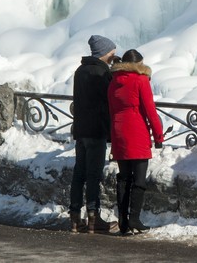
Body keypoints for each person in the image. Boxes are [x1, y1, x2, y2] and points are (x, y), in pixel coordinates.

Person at [108, 48, 164, 235]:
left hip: (118, 130)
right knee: (139, 179)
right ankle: (134, 218)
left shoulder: (114, 81)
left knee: (124, 177)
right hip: (137, 131)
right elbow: (150, 110)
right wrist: (158, 136)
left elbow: (111, 109)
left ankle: (123, 221)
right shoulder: (141, 80)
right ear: (139, 64)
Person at [69, 34, 119, 234]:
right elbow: (109, 101)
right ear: (105, 52)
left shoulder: (80, 71)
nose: (114, 55)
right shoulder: (102, 72)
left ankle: (74, 218)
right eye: (112, 52)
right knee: (93, 175)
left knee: (78, 174)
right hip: (97, 130)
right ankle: (93, 218)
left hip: (81, 130)